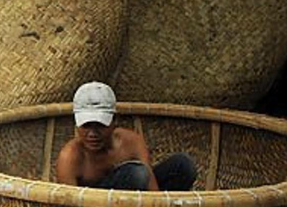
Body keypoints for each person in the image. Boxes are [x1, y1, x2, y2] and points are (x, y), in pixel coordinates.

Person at [55, 81, 196, 191]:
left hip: (137, 202)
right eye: (86, 126)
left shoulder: (131, 142)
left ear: (114, 121)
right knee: (137, 174)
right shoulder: (70, 157)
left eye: (100, 125)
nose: (92, 134)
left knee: (183, 165)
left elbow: (152, 188)